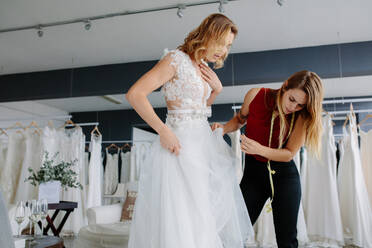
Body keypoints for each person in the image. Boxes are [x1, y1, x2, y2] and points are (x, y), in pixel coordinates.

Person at [126, 13, 254, 248]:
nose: (224, 51)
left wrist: (215, 91)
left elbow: (197, 109)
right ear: (208, 34)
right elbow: (135, 94)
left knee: (200, 217)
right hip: (178, 146)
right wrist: (163, 131)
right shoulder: (175, 59)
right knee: (180, 216)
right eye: (222, 43)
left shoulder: (203, 67)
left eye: (228, 46)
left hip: (201, 149)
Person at [213, 70, 324, 248]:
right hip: (253, 174)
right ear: (285, 85)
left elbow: (289, 154)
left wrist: (259, 149)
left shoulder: (302, 116)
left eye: (300, 105)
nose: (293, 107)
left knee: (286, 239)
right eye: (292, 99)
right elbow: (240, 120)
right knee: (235, 233)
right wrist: (224, 128)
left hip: (285, 177)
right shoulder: (256, 95)